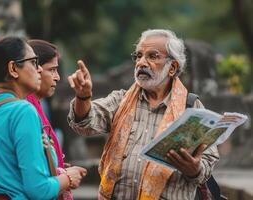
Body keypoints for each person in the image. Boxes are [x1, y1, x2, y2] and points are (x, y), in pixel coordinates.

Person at [67, 29, 220, 200]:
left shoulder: (191, 108)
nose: (141, 62)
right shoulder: (121, 100)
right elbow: (85, 122)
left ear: (172, 67)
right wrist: (83, 97)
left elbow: (208, 161)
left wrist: (194, 169)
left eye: (152, 56)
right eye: (138, 56)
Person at [0, 37, 86, 200]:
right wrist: (68, 178)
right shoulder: (23, 111)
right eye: (33, 62)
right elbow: (39, 190)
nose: (39, 69)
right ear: (13, 68)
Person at [26, 39, 86, 200]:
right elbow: (30, 174)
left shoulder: (36, 105)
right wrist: (65, 176)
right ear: (34, 70)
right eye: (51, 70)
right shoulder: (25, 110)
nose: (57, 78)